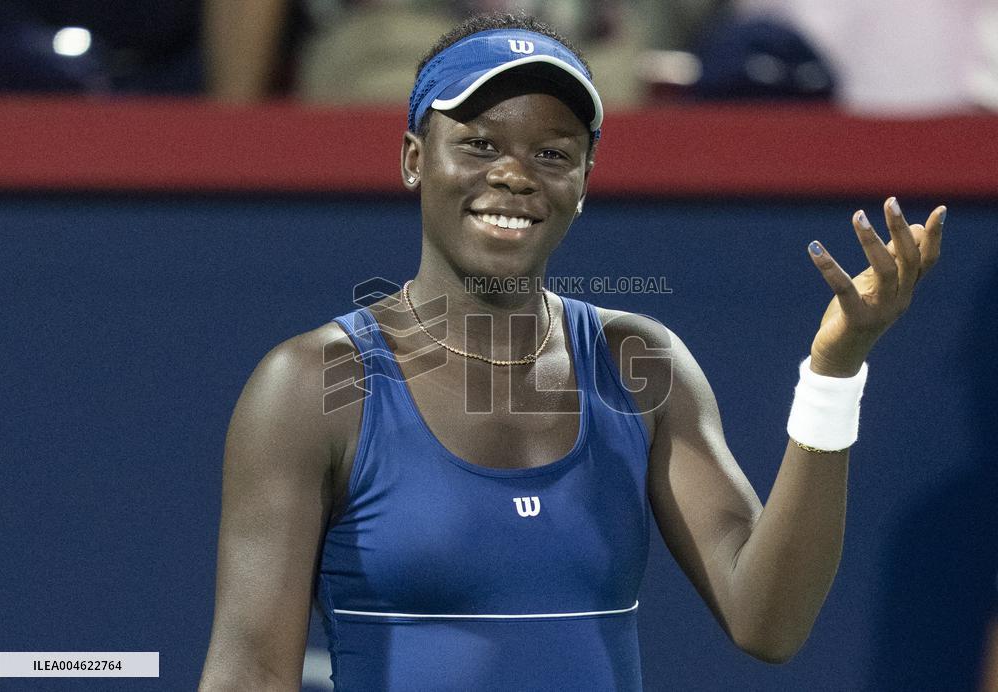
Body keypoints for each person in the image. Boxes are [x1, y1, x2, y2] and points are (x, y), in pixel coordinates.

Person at [198, 12, 947, 691]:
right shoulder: (310, 384)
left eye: (552, 153)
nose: (516, 175)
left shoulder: (639, 362)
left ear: (584, 181)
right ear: (413, 158)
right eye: (480, 143)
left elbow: (769, 621)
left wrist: (835, 372)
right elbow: (249, 675)